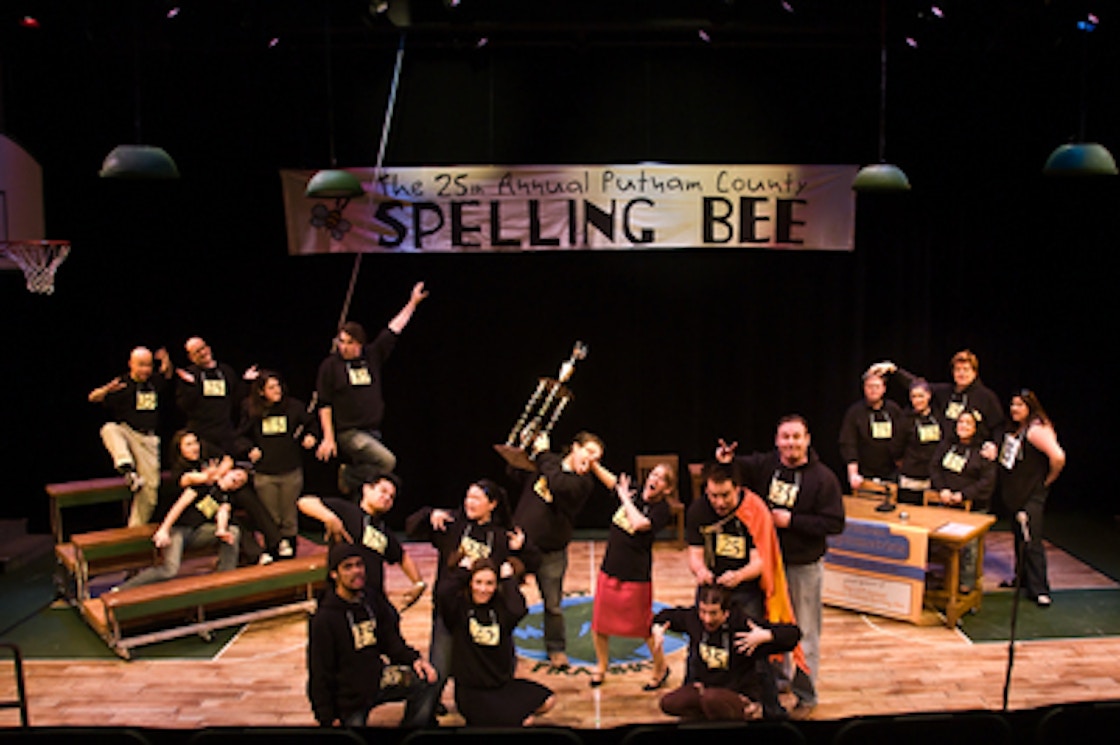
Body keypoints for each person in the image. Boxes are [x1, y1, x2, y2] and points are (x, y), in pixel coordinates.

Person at [715, 414, 845, 720]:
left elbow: (835, 523)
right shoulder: (767, 465)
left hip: (803, 566)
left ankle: (806, 695)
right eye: (785, 437)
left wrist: (793, 521)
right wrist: (725, 460)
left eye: (796, 437)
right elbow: (737, 471)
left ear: (807, 439)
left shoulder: (823, 478)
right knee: (772, 625)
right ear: (777, 441)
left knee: (805, 632)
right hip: (768, 564)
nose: (791, 443)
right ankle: (783, 679)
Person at [404, 478, 522, 716]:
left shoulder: (499, 537)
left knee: (479, 664)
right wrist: (429, 514)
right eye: (468, 496)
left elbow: (526, 563)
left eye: (477, 498)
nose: (470, 502)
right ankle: (417, 721)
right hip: (450, 608)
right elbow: (410, 527)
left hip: (480, 612)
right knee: (438, 669)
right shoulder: (452, 523)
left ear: (493, 504)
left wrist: (522, 546)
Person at [307, 541, 437, 727]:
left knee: (427, 680)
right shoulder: (325, 618)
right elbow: (319, 672)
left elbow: (391, 642)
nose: (356, 571)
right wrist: (326, 716)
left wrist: (415, 659)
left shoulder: (371, 599)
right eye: (348, 567)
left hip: (378, 679)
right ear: (334, 574)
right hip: (348, 699)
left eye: (359, 565)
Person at [314, 281, 428, 493]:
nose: (344, 347)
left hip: (372, 430)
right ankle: (348, 475)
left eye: (349, 343)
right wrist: (328, 437)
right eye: (341, 342)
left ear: (359, 344)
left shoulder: (372, 356)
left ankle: (358, 505)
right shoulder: (330, 365)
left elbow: (394, 328)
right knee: (387, 462)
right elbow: (324, 403)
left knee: (370, 484)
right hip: (349, 432)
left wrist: (412, 302)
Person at [509, 430, 607, 670]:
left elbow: (558, 483)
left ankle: (556, 648)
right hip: (519, 544)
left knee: (552, 604)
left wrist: (542, 454)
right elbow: (516, 474)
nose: (593, 460)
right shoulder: (548, 462)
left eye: (598, 458)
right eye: (590, 452)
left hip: (551, 551)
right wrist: (519, 452)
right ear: (575, 447)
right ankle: (502, 646)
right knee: (504, 595)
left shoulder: (582, 483)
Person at [650, 583, 800, 722]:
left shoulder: (742, 626)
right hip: (704, 689)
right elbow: (665, 615)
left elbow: (793, 634)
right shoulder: (694, 618)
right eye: (703, 612)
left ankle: (740, 713)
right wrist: (657, 627)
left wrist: (766, 635)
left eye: (713, 613)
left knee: (712, 699)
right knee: (669, 703)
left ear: (726, 613)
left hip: (736, 693)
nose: (707, 619)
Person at [115, 429, 242, 590]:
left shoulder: (222, 493)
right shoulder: (184, 473)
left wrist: (221, 530)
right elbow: (179, 505)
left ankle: (225, 580)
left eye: (195, 443)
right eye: (189, 444)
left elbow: (223, 510)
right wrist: (164, 529)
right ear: (180, 449)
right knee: (169, 570)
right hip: (177, 530)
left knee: (234, 532)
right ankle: (123, 589)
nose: (195, 447)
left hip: (197, 531)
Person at [437, 555, 556, 726]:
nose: (483, 589)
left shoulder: (501, 608)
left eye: (489, 583)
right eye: (478, 582)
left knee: (548, 700)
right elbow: (443, 593)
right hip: (472, 693)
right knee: (525, 721)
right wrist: (462, 571)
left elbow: (518, 609)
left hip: (501, 687)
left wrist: (509, 579)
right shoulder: (458, 608)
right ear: (470, 583)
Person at [589, 465, 674, 689]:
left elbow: (639, 524)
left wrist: (625, 499)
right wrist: (593, 463)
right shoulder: (633, 491)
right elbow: (612, 481)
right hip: (610, 569)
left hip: (635, 577)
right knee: (599, 624)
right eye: (654, 474)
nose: (654, 479)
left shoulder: (662, 510)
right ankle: (601, 666)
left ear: (667, 488)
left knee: (645, 628)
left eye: (662, 478)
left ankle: (660, 668)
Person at [297, 470, 426, 613]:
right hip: (343, 598)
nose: (387, 498)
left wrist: (418, 583)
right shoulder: (346, 510)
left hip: (374, 600)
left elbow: (402, 557)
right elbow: (305, 502)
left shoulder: (383, 530)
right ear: (367, 489)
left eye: (391, 497)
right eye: (383, 491)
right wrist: (329, 517)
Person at [235, 370, 318, 559]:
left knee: (289, 517)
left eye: (278, 385)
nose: (277, 390)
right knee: (271, 518)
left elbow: (312, 424)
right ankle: (273, 553)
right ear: (261, 392)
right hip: (265, 473)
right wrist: (249, 449)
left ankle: (290, 557)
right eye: (271, 387)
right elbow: (238, 436)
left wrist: (311, 436)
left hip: (290, 470)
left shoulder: (294, 407)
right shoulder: (252, 409)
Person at [88, 345, 174, 526]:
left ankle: (133, 531)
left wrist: (165, 359)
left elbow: (166, 373)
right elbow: (93, 398)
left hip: (148, 440)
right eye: (141, 365)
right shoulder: (123, 383)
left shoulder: (153, 382)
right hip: (128, 433)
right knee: (109, 429)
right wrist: (106, 389)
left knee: (150, 493)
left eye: (148, 365)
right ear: (131, 364)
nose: (145, 370)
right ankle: (127, 468)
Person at [997, 389, 1066, 608]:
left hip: (1031, 494)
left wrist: (1047, 481)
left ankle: (1040, 589)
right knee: (1019, 537)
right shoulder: (1019, 428)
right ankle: (1022, 579)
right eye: (1013, 404)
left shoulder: (1036, 429)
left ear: (1030, 407)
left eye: (1020, 405)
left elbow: (1058, 457)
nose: (1014, 409)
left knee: (1031, 538)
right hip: (1017, 492)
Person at [867, 350, 1005, 454]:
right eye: (958, 369)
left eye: (966, 370)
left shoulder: (986, 397)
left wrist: (995, 445)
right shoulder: (946, 392)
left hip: (972, 459)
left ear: (975, 372)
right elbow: (918, 386)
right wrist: (894, 370)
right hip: (944, 456)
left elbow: (999, 425)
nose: (961, 374)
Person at [684, 461, 764, 623]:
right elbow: (695, 553)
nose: (720, 503)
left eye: (726, 495)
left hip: (746, 591)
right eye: (714, 496)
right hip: (711, 590)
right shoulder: (698, 510)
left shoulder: (754, 512)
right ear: (706, 489)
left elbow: (760, 561)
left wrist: (739, 576)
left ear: (737, 488)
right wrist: (701, 571)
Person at [928, 409, 997, 593]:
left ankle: (966, 583)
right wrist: (942, 488)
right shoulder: (947, 445)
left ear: (976, 428)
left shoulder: (983, 451)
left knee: (970, 546)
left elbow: (987, 481)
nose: (963, 426)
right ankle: (945, 577)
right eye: (960, 422)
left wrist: (964, 495)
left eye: (968, 423)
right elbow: (934, 467)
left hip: (973, 506)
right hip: (947, 503)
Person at [176, 336, 258, 454]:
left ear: (208, 348)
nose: (202, 353)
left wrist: (246, 381)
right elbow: (184, 406)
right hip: (201, 435)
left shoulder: (225, 371)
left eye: (203, 348)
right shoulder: (189, 375)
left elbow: (235, 400)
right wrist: (191, 386)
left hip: (224, 434)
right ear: (191, 357)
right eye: (196, 352)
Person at [838, 370, 904, 491]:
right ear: (864, 388)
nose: (873, 390)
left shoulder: (893, 410)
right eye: (870, 386)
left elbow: (902, 438)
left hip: (891, 474)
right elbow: (848, 443)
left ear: (884, 389)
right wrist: (853, 474)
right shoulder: (855, 412)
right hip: (864, 475)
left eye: (877, 386)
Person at [896, 378, 943, 505]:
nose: (917, 400)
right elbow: (896, 447)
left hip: (934, 476)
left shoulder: (938, 415)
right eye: (914, 397)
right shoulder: (905, 419)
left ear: (929, 395)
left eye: (921, 396)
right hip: (912, 476)